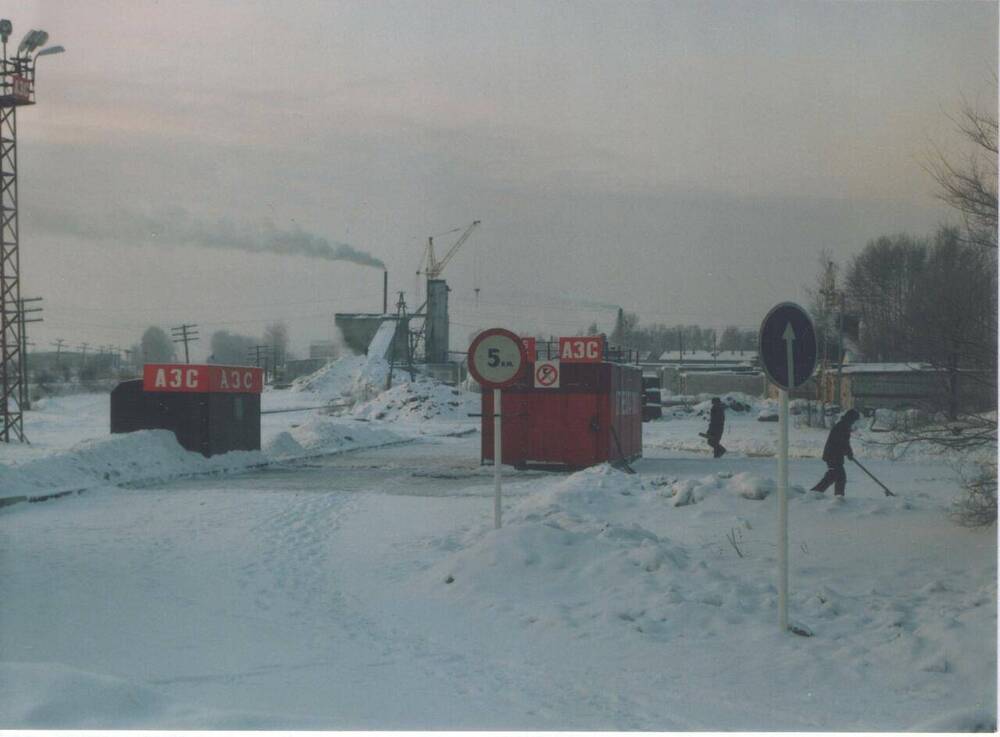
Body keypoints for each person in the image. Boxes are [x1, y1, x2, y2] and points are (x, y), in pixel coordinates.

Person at [811, 409, 861, 496]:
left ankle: (837, 497)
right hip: (833, 455)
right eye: (854, 420)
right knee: (836, 476)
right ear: (851, 419)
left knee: (837, 476)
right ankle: (816, 493)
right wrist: (849, 453)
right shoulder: (842, 426)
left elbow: (844, 443)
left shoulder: (844, 425)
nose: (854, 423)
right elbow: (843, 442)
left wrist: (848, 452)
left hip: (835, 455)